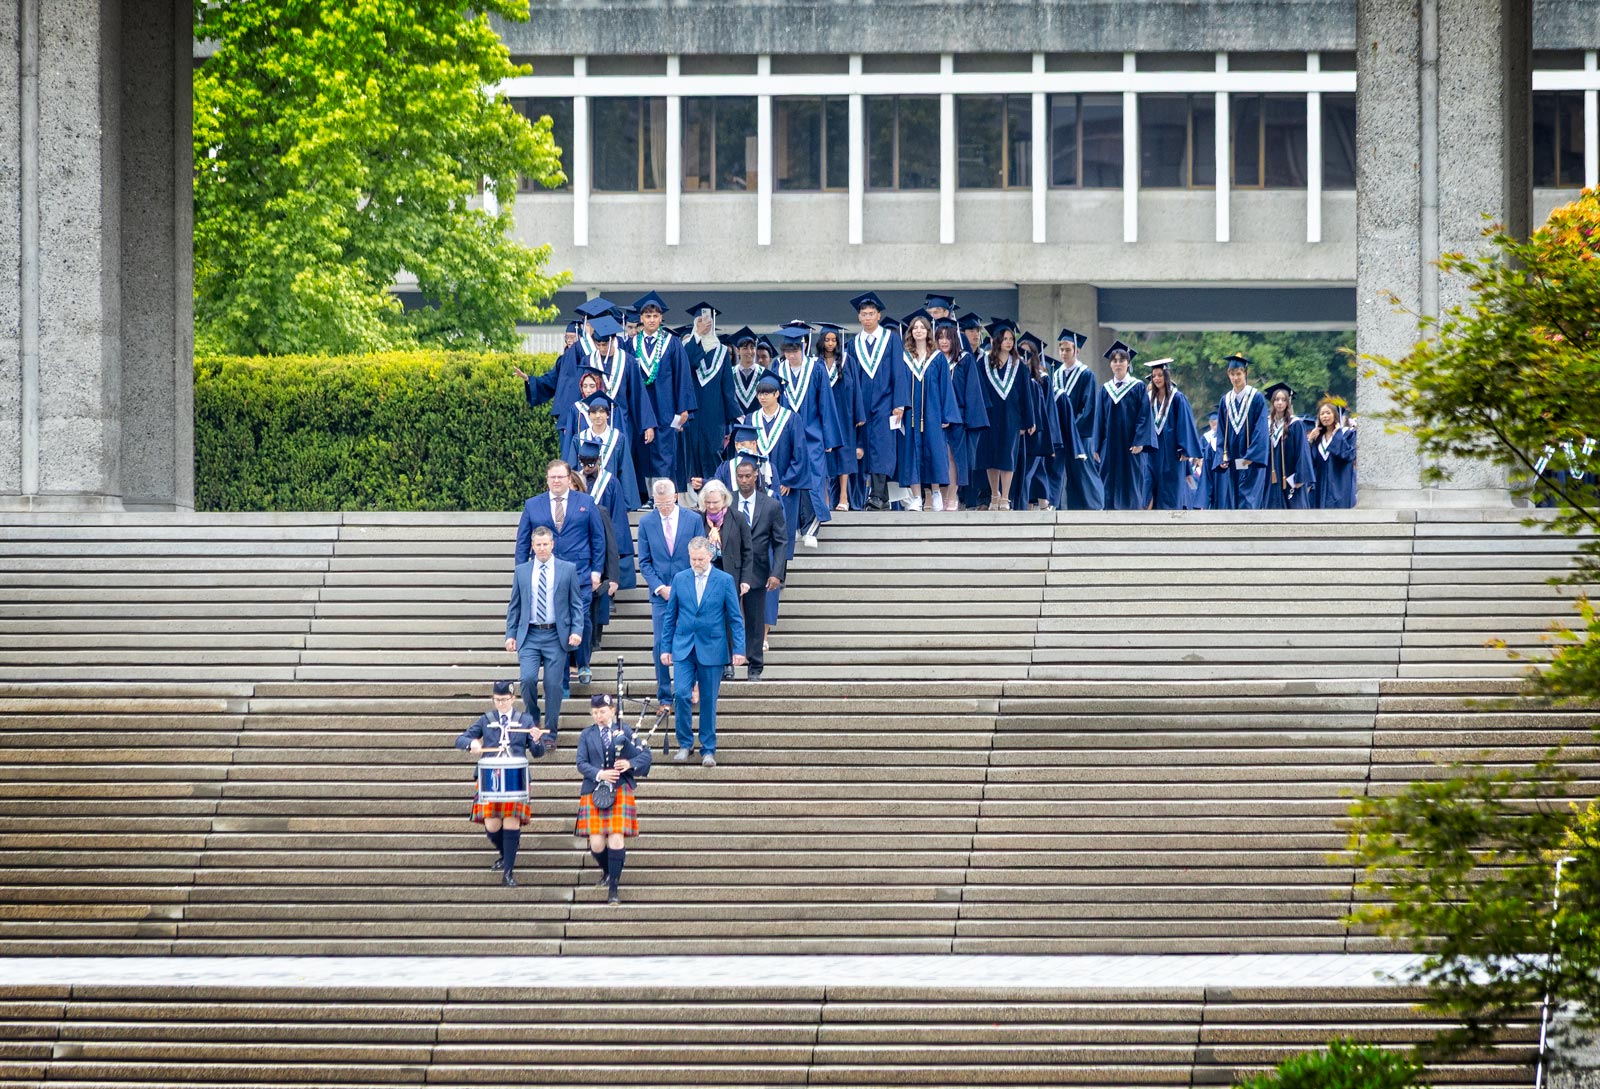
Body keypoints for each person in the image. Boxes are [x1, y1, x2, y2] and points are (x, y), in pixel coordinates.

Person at [515, 459, 607, 688]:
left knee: (582, 619)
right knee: (559, 625)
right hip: (546, 576)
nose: (556, 481)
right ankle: (562, 683)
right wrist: (521, 573)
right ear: (547, 479)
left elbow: (598, 538)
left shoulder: (586, 502)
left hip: (581, 574)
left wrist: (597, 571)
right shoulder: (533, 505)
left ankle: (584, 662)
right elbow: (522, 541)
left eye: (561, 477)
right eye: (552, 477)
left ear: (569, 479)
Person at [661, 537, 747, 768]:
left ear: (710, 556)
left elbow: (735, 617)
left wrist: (739, 649)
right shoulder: (680, 578)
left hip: (712, 647)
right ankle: (684, 744)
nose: (696, 563)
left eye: (700, 559)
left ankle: (708, 748)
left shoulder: (725, 580)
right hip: (684, 646)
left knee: (708, 700)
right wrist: (665, 647)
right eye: (693, 559)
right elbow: (670, 616)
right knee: (680, 693)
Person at [455, 680, 549, 886]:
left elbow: (538, 753)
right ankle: (507, 853)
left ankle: (508, 872)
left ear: (513, 699)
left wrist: (536, 739)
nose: (501, 704)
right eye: (497, 700)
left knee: (511, 822)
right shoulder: (486, 719)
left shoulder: (525, 720)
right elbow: (460, 739)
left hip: (516, 778)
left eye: (504, 700)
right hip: (491, 778)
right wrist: (472, 743)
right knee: (492, 824)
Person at [504, 526, 585, 751]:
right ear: (532, 546)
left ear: (552, 544)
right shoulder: (522, 571)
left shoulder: (567, 569)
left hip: (555, 634)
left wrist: (576, 630)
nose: (541, 548)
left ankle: (550, 732)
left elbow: (576, 604)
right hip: (529, 634)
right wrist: (510, 634)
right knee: (527, 680)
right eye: (538, 544)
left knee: (553, 684)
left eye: (545, 544)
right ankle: (533, 718)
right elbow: (515, 605)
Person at [575, 692, 653, 905]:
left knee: (616, 838)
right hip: (594, 789)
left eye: (602, 711)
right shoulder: (586, 735)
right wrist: (600, 774)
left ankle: (613, 888)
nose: (598, 716)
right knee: (597, 844)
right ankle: (609, 871)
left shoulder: (625, 731)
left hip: (619, 789)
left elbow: (646, 755)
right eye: (595, 712)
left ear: (612, 711)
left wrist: (630, 764)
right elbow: (581, 763)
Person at [636, 479, 705, 709]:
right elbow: (645, 562)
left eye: (666, 504)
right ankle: (664, 695)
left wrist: (686, 585)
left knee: (692, 639)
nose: (663, 509)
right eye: (658, 505)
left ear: (675, 497)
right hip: (660, 594)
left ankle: (692, 685)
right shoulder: (646, 523)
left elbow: (700, 553)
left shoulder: (693, 519)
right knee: (660, 644)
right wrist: (660, 587)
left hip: (689, 592)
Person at [775, 322, 842, 547]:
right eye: (787, 351)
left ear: (803, 346)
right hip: (785, 435)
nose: (791, 355)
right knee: (789, 479)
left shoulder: (816, 368)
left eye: (794, 350)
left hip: (812, 435)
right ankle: (792, 526)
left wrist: (829, 437)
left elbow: (826, 403)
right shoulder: (778, 369)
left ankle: (811, 529)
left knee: (812, 479)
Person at [628, 291, 696, 498]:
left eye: (655, 316)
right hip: (639, 409)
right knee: (640, 451)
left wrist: (683, 408)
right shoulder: (630, 344)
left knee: (664, 451)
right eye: (647, 316)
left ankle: (662, 497)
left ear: (660, 318)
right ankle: (644, 496)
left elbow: (683, 375)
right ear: (641, 318)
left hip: (665, 408)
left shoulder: (672, 343)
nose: (651, 319)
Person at [844, 291, 909, 510]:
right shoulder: (853, 345)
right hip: (862, 404)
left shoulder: (890, 339)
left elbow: (899, 373)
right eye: (864, 314)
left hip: (886, 402)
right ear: (859, 318)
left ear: (879, 316)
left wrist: (899, 403)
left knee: (883, 447)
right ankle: (871, 495)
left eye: (872, 313)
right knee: (864, 446)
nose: (868, 317)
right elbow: (851, 379)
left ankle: (878, 495)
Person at [894, 310, 963, 511]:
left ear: (928, 331)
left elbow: (946, 388)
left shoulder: (938, 358)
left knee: (935, 451)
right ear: (910, 332)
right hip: (910, 414)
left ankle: (935, 494)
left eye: (922, 327)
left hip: (933, 414)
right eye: (915, 328)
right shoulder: (904, 358)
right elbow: (898, 384)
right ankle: (916, 497)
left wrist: (947, 414)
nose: (918, 331)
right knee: (911, 452)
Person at [572, 440, 631, 650]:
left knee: (600, 593)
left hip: (604, 539)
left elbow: (617, 516)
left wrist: (614, 545)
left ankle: (596, 636)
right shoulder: (574, 481)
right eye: (584, 462)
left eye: (591, 462)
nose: (588, 466)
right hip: (579, 543)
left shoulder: (610, 482)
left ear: (599, 459)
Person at [731, 457, 787, 680]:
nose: (744, 481)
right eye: (740, 477)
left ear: (756, 476)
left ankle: (755, 666)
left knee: (755, 619)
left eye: (747, 476)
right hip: (731, 569)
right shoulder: (728, 502)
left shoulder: (770, 505)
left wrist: (777, 573)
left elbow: (781, 542)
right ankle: (728, 663)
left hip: (759, 569)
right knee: (729, 616)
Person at [973, 319, 1036, 510]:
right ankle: (994, 494)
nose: (1009, 342)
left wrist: (1029, 419)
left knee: (1008, 456)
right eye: (1005, 338)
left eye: (1011, 339)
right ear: (996, 341)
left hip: (1011, 417)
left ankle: (1005, 497)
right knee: (990, 457)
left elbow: (1026, 394)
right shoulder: (983, 363)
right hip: (990, 416)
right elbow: (979, 391)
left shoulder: (1019, 365)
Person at [680, 302, 740, 497]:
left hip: (715, 418)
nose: (704, 324)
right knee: (692, 458)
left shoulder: (722, 351)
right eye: (699, 321)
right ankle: (696, 504)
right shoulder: (687, 348)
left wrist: (734, 420)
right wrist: (696, 334)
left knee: (712, 455)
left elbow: (728, 388)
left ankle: (715, 497)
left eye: (707, 321)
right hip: (692, 416)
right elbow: (688, 362)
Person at [933, 318, 988, 513]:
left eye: (948, 337)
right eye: (940, 337)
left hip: (958, 418)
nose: (944, 341)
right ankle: (937, 495)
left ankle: (952, 494)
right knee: (938, 457)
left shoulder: (964, 360)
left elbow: (971, 391)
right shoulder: (933, 360)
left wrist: (958, 417)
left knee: (953, 457)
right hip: (935, 419)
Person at [699, 480, 751, 681]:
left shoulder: (737, 518)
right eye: (708, 502)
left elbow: (748, 550)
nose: (712, 506)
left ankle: (728, 662)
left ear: (724, 500)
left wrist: (745, 579)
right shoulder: (699, 519)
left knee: (730, 617)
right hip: (707, 573)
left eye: (715, 502)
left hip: (730, 574)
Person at [1051, 329, 1107, 511]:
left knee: (1083, 471)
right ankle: (1066, 507)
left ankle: (1094, 506)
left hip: (1080, 434)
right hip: (1061, 434)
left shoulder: (1086, 375)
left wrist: (1072, 428)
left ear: (1077, 351)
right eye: (1062, 349)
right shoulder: (1056, 375)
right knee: (1062, 471)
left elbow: (1089, 407)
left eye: (1068, 349)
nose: (1064, 353)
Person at [1098, 340, 1156, 511]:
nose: (1118, 364)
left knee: (1131, 479)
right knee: (1109, 478)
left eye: (1121, 360)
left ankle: (1131, 516)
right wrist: (1096, 446)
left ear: (1128, 364)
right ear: (1110, 364)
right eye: (1114, 361)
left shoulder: (1137, 387)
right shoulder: (1105, 389)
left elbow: (1144, 416)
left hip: (1131, 444)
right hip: (1110, 445)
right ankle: (1109, 515)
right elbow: (1100, 418)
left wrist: (1140, 441)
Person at [562, 393, 641, 514]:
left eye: (602, 412)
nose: (598, 416)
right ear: (589, 415)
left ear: (608, 415)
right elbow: (572, 470)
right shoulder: (579, 439)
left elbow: (625, 470)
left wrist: (626, 503)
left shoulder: (618, 439)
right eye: (593, 412)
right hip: (584, 494)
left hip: (609, 495)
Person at [816, 322, 864, 512]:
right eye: (827, 340)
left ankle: (843, 497)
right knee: (825, 457)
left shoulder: (847, 361)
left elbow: (857, 389)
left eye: (834, 340)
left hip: (844, 415)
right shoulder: (815, 363)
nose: (830, 343)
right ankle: (826, 498)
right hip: (823, 417)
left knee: (844, 455)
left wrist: (859, 414)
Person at [1145, 358, 1203, 511]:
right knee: (1149, 488)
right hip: (1152, 452)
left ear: (1166, 376)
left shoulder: (1177, 398)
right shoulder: (1149, 399)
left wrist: (1184, 449)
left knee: (1170, 491)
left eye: (1160, 375)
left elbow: (1184, 423)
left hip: (1172, 454)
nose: (1157, 378)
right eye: (1154, 376)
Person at [1213, 353, 1270, 510]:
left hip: (1251, 460)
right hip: (1233, 459)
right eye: (1232, 374)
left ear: (1245, 373)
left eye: (1239, 373)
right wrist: (1222, 455)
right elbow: (1221, 431)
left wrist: (1252, 455)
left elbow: (1261, 430)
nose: (1235, 378)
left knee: (1249, 501)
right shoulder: (1226, 400)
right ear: (1228, 374)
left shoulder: (1256, 398)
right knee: (1234, 501)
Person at [1263, 382, 1316, 510]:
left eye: (1283, 400)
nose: (1280, 403)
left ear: (1288, 403)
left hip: (1290, 476)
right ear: (1272, 402)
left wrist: (1300, 477)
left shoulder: (1295, 424)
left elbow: (1302, 452)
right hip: (1271, 476)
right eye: (1276, 399)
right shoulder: (1266, 424)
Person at [1307, 397, 1358, 508]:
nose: (1325, 416)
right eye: (1322, 414)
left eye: (1328, 413)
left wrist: (1337, 435)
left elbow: (1348, 455)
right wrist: (1310, 441)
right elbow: (1311, 460)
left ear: (1335, 415)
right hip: (1320, 483)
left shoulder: (1347, 434)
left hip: (1340, 482)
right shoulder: (1318, 437)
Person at [728, 326, 765, 418]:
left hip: (759, 423)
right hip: (735, 425)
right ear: (737, 351)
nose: (749, 351)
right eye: (745, 348)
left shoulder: (764, 373)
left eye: (752, 348)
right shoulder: (729, 374)